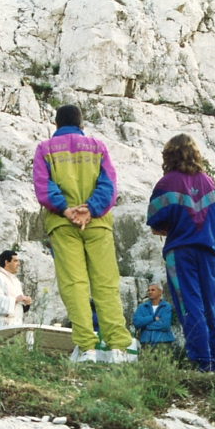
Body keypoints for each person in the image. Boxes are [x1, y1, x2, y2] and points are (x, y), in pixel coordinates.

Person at [32, 104, 132, 363]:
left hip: (63, 224)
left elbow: (43, 186)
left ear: (56, 125)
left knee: (74, 284)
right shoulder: (98, 147)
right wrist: (90, 211)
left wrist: (67, 210)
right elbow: (108, 184)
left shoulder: (45, 149)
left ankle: (86, 348)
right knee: (106, 284)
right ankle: (117, 349)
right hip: (97, 223)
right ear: (81, 125)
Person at [146, 133, 215, 372]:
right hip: (208, 251)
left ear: (169, 154)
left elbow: (154, 222)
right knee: (210, 307)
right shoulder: (209, 183)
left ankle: (201, 363)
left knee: (189, 305)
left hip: (180, 251)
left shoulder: (166, 183)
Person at [0, 250, 31, 333]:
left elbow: (17, 309)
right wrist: (16, 299)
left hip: (16, 326)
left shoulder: (16, 280)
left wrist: (26, 304)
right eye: (15, 261)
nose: (18, 264)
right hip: (1, 326)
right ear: (7, 262)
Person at [132, 282, 175, 347]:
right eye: (148, 290)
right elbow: (136, 322)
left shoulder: (166, 307)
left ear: (160, 292)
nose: (150, 292)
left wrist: (146, 325)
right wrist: (152, 318)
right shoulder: (142, 307)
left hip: (163, 344)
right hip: (146, 344)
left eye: (153, 290)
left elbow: (165, 325)